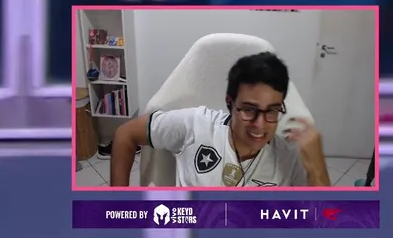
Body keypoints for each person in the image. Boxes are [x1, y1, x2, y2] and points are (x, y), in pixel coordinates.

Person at [110, 51, 330, 187]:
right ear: (229, 103)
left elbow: (324, 225)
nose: (260, 124)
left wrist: (317, 168)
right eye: (249, 109)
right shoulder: (195, 126)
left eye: (271, 110)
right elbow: (125, 134)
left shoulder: (289, 156)